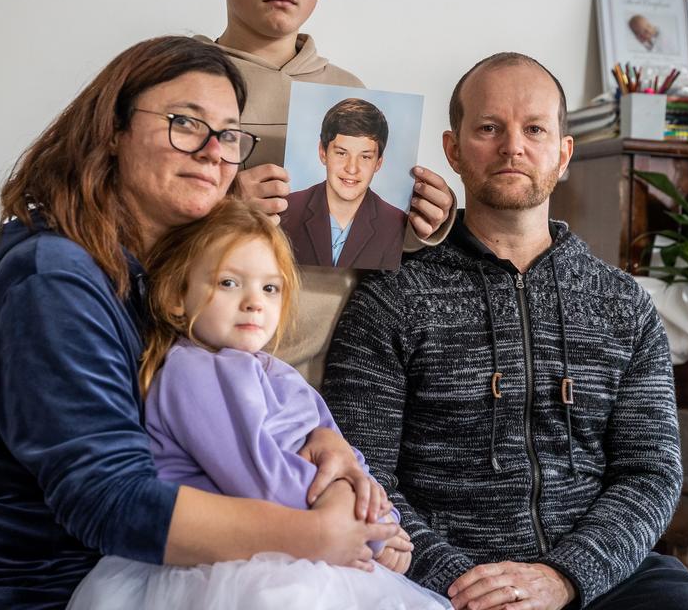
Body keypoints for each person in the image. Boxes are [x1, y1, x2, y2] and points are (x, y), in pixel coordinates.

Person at [0, 36, 398, 609]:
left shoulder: (169, 281)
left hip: (175, 579)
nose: (214, 151)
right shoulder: (53, 280)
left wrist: (323, 445)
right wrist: (317, 534)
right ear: (112, 132)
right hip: (60, 594)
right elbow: (110, 502)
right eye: (185, 124)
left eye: (230, 134)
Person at [323, 52, 688, 609]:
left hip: (600, 578)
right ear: (452, 148)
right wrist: (463, 582)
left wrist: (565, 576)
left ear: (564, 153)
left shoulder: (624, 306)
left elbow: (651, 471)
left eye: (535, 129)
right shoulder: (390, 299)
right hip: (438, 582)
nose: (512, 146)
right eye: (489, 127)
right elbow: (363, 469)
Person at [67, 199, 451, 609]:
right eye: (229, 283)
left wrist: (384, 520)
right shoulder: (191, 371)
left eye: (270, 287)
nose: (254, 302)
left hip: (309, 535)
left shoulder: (276, 372)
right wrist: (360, 524)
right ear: (178, 297)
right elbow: (259, 476)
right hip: (223, 560)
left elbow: (346, 458)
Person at [194, 0, 455, 385]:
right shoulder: (183, 80)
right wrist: (226, 206)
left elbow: (362, 237)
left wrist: (424, 222)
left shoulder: (349, 93)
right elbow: (132, 217)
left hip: (321, 377)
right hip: (200, 361)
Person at [282, 98, 406, 270]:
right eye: (341, 153)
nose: (352, 168)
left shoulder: (396, 225)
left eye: (365, 157)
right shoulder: (285, 210)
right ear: (323, 153)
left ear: (378, 163)